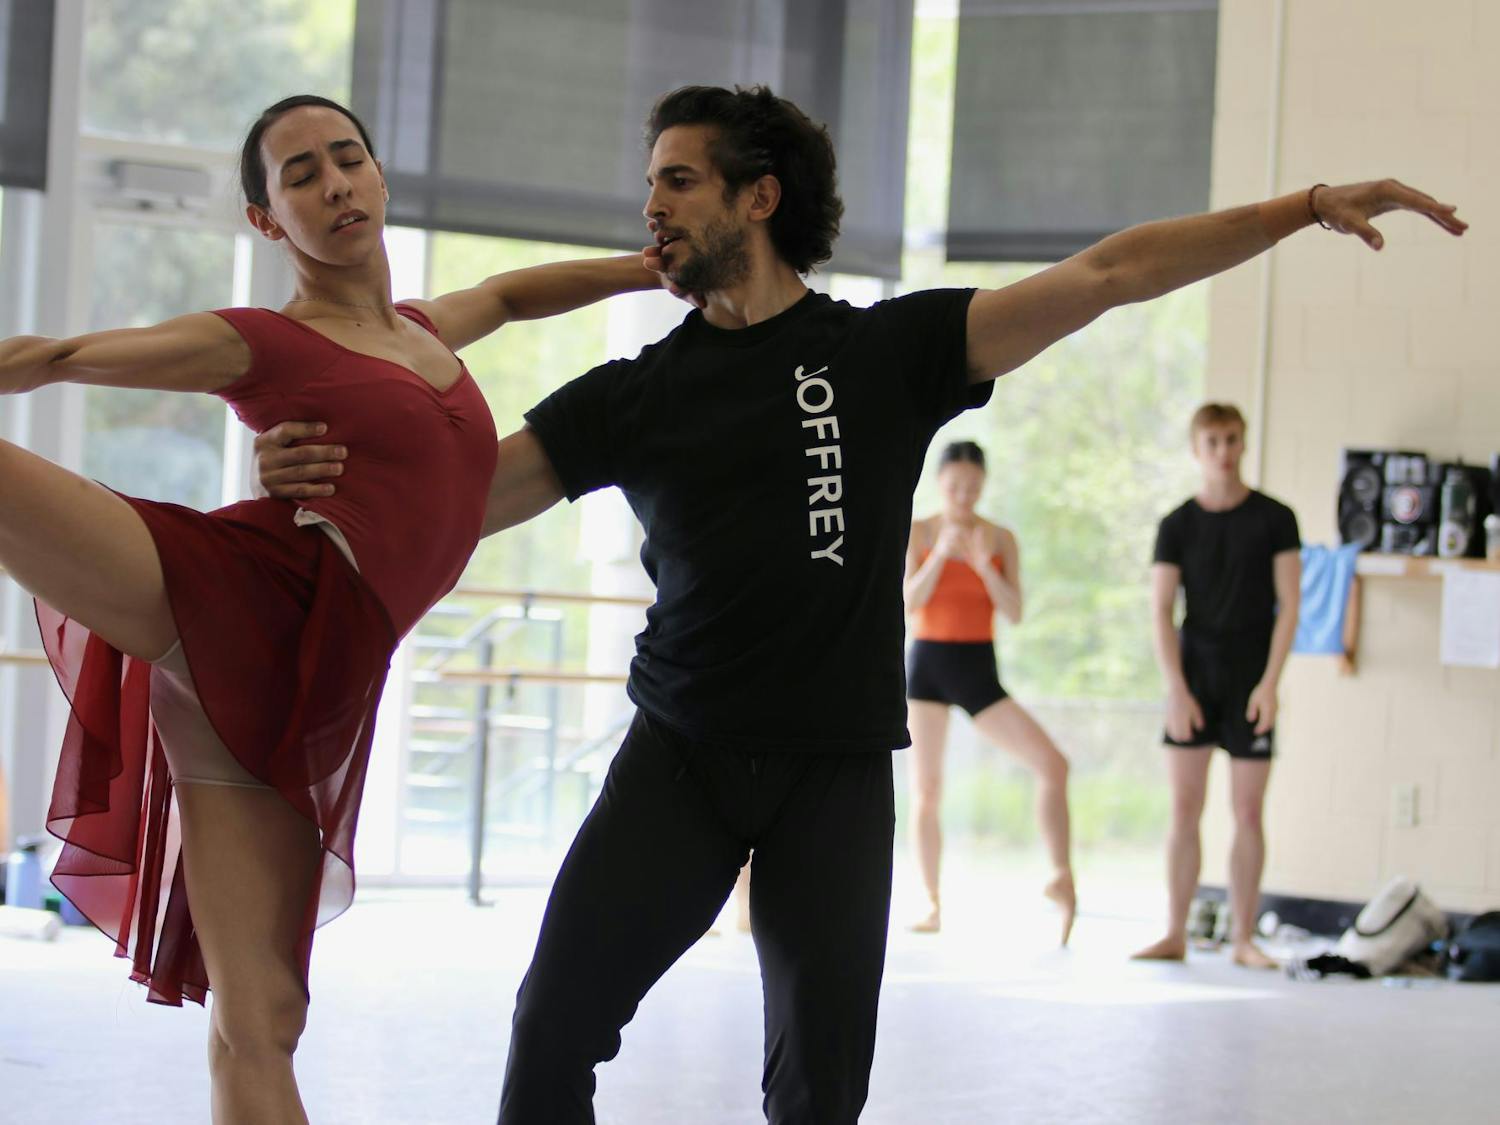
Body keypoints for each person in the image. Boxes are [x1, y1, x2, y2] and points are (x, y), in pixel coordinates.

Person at [254, 85, 1464, 1124]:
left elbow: (1109, 274)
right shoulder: (632, 396)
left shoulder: (889, 354)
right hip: (679, 761)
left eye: (678, 180)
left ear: (758, 197)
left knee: (821, 1091)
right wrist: (307, 481)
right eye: (650, 184)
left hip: (833, 777)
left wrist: (1304, 206)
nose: (651, 207)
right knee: (552, 1028)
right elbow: (450, 510)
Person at [0, 94, 675, 1124]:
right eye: (301, 175)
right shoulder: (262, 341)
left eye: (347, 157)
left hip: (309, 679)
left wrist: (646, 270)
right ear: (267, 220)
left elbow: (509, 293)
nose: (335, 184)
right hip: (237, 599)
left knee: (261, 1018)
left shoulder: (424, 330)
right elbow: (61, 357)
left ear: (381, 175)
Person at [1132, 403, 1300, 970]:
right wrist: (1176, 689)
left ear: (1243, 443)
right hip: (1195, 673)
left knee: (1248, 811)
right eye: (1212, 442)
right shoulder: (1177, 525)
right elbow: (1161, 610)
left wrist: (1270, 684)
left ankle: (1243, 938)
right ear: (1196, 449)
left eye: (1231, 440)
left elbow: (1289, 605)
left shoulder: (1276, 518)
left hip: (1251, 675)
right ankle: (1174, 931)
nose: (1223, 452)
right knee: (1185, 808)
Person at [903, 440, 1075, 941]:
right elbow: (907, 603)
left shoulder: (1000, 538)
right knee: (926, 789)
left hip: (977, 668)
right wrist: (940, 556)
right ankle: (930, 901)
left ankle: (1060, 877)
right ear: (940, 483)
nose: (963, 496)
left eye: (973, 487)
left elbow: (1015, 612)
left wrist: (981, 565)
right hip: (928, 666)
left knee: (1053, 765)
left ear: (983, 486)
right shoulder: (918, 531)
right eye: (955, 486)